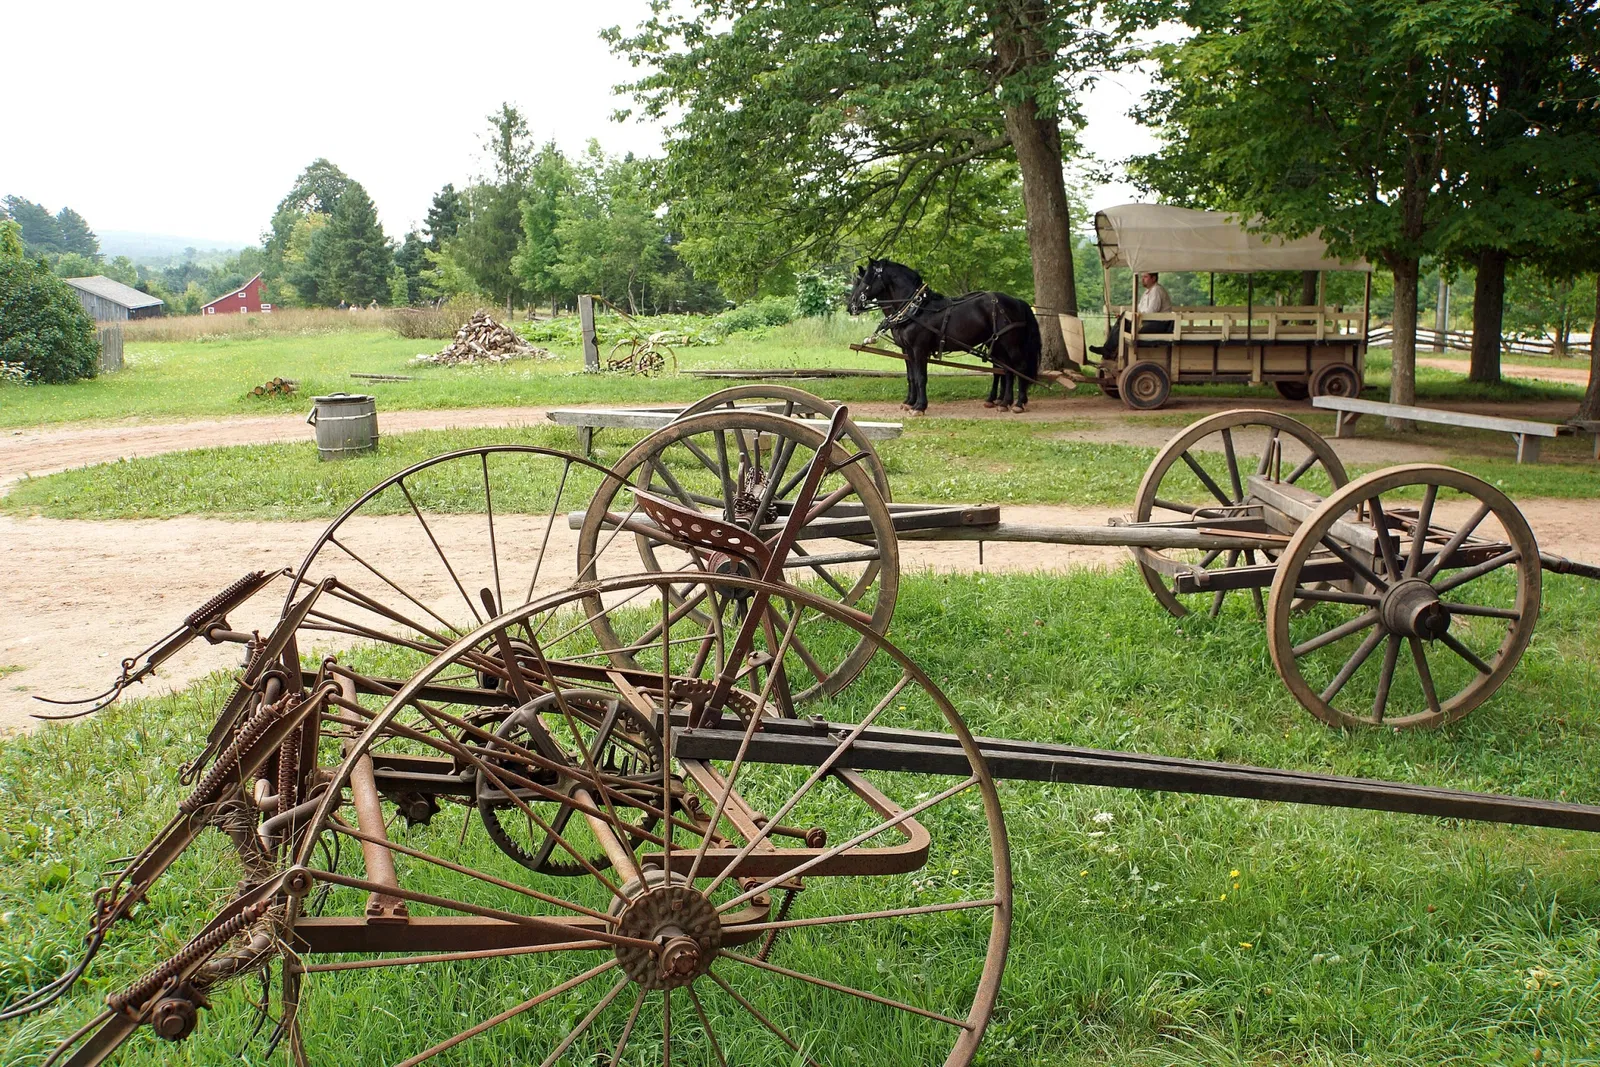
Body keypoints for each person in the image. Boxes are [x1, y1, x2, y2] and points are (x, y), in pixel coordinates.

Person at [1089, 272, 1172, 357]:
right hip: (1149, 322)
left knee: (1124, 324)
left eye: (1145, 277)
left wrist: (1132, 317)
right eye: (1142, 277)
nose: (1142, 279)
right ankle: (1108, 350)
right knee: (1122, 321)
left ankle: (1108, 350)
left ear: (1153, 278)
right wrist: (1126, 316)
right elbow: (1139, 309)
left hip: (1158, 325)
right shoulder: (1148, 291)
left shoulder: (1157, 290)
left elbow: (1151, 312)